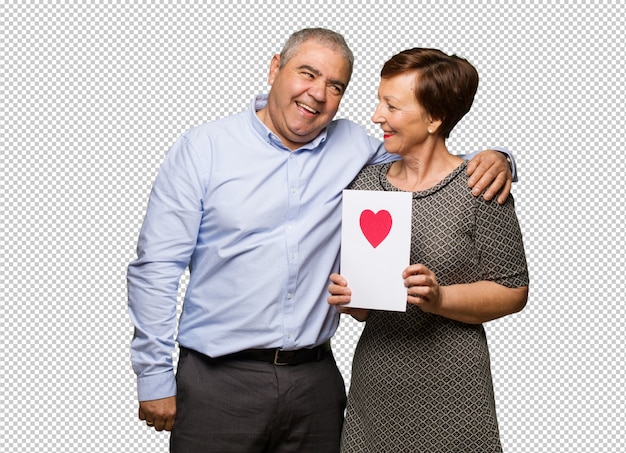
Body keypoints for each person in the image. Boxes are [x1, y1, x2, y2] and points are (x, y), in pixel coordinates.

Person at [127, 28, 515, 453]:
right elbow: (157, 269)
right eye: (307, 73)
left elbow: (428, 150)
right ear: (275, 67)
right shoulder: (203, 149)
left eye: (335, 86)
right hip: (219, 384)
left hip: (315, 386)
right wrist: (154, 376)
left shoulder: (358, 150)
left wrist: (499, 157)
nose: (318, 93)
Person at [327, 47, 529, 452]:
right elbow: (365, 308)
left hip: (456, 392)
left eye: (392, 105)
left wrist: (440, 297)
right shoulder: (365, 186)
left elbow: (514, 290)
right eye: (379, 101)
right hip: (378, 386)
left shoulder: (480, 185)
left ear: (434, 119)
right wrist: (351, 299)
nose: (376, 115)